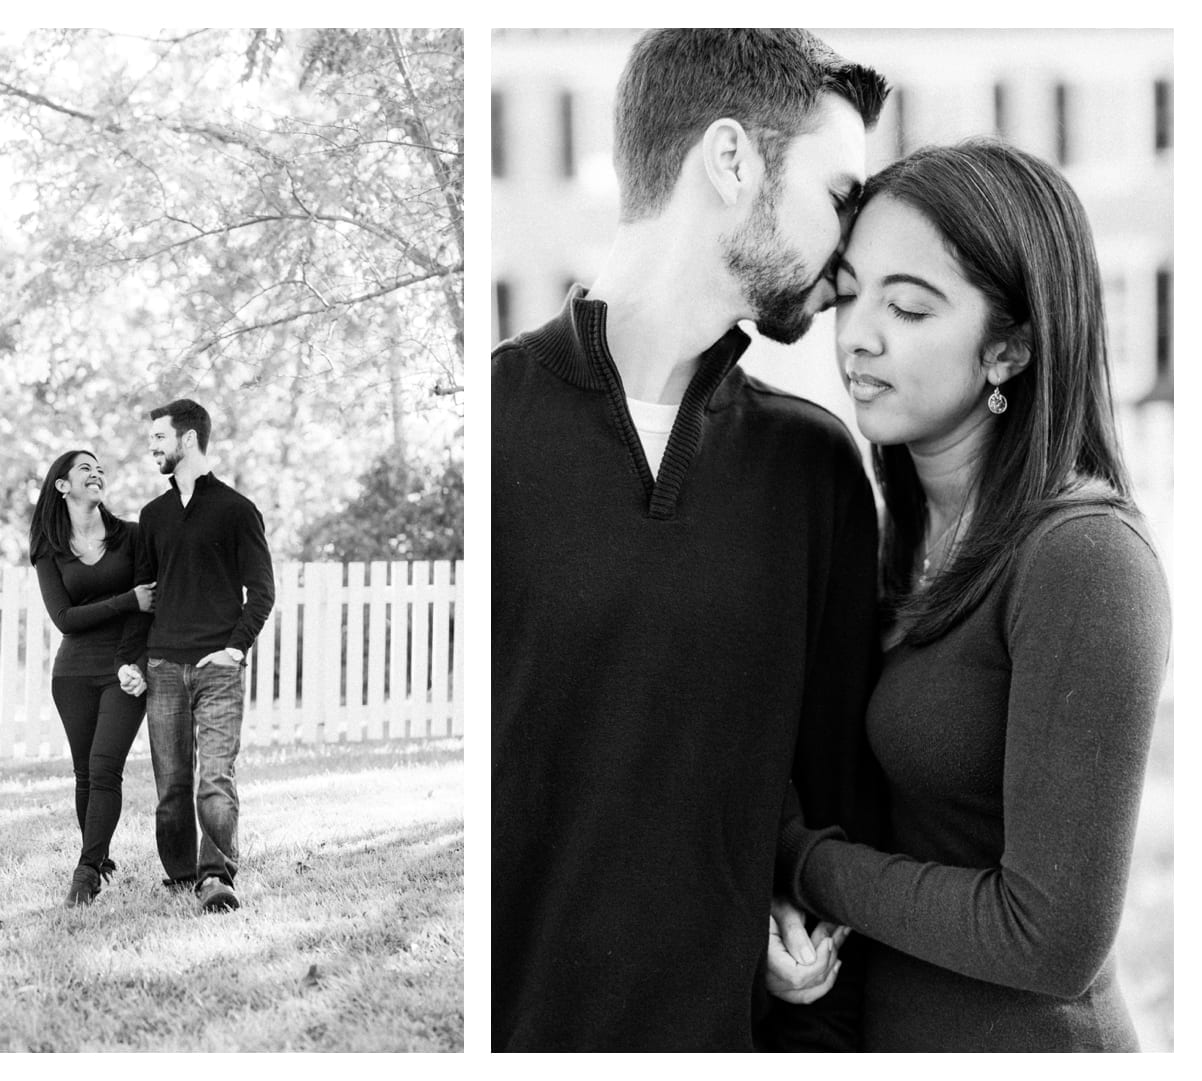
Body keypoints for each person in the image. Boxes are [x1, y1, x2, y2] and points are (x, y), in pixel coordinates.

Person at [491, 29, 890, 1051]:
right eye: (840, 198)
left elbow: (833, 810)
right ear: (730, 159)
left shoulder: (816, 469)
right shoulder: (486, 422)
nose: (851, 257)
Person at [767, 139, 1171, 1051]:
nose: (857, 333)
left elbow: (1051, 937)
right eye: (849, 291)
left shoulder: (1085, 559)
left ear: (1009, 347)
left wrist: (802, 861)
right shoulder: (891, 533)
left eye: (907, 307)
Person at [117, 399, 275, 914]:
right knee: (171, 789)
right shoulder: (153, 516)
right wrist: (135, 660)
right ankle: (183, 875)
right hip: (164, 667)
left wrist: (235, 649)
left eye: (159, 437)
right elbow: (145, 597)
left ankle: (216, 875)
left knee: (215, 780)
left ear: (187, 440)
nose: (152, 447)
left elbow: (262, 591)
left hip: (218, 669)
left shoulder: (236, 510)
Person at [30, 450, 155, 908]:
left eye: (100, 468)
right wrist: (127, 600)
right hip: (73, 672)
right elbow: (65, 618)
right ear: (62, 486)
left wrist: (135, 662)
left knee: (105, 768)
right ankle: (97, 856)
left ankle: (86, 874)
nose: (97, 473)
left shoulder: (134, 537)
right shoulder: (49, 547)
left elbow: (150, 609)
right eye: (85, 468)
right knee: (84, 774)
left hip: (124, 671)